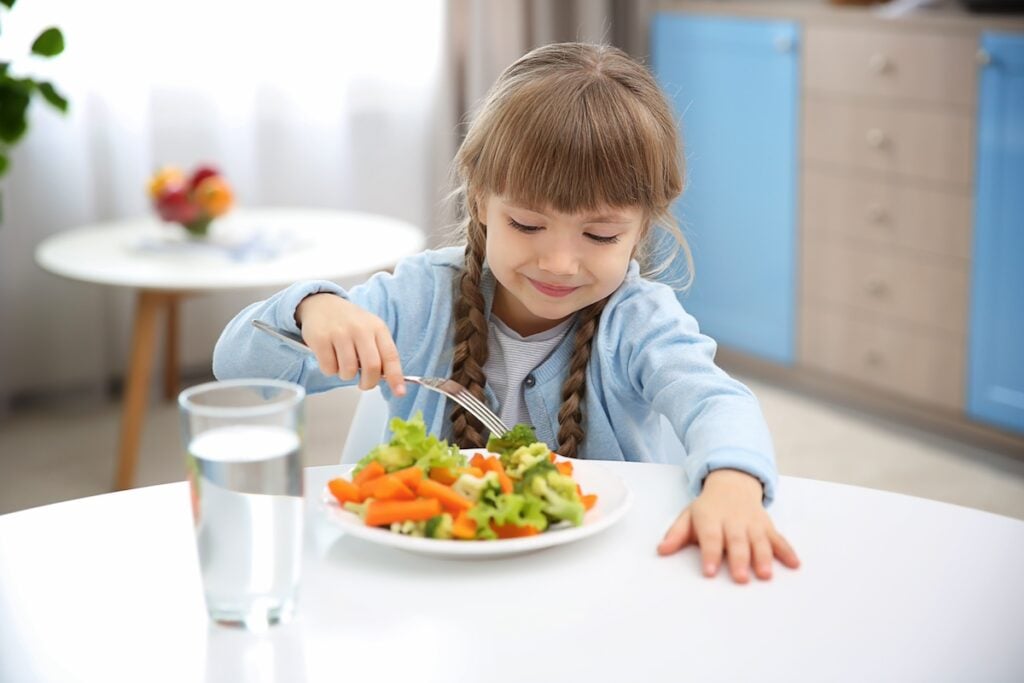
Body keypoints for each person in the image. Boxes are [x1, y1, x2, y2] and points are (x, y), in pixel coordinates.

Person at [213, 42, 799, 583]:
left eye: (599, 235)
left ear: (642, 227)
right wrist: (311, 308)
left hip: (601, 580)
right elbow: (239, 369)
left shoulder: (640, 321)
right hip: (430, 581)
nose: (560, 263)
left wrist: (733, 483)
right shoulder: (420, 299)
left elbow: (716, 401)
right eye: (526, 225)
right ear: (480, 201)